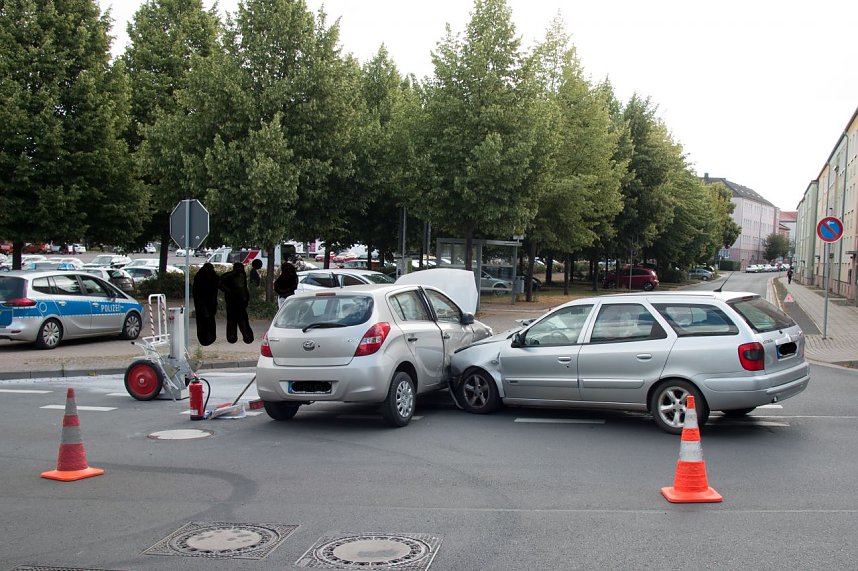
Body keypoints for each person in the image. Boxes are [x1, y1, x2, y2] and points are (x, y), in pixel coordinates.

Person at [218, 262, 253, 344]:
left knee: (240, 318)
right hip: (233, 300)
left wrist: (245, 297)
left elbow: (243, 288)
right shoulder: (230, 275)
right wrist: (228, 290)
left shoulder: (241, 275)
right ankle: (235, 336)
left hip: (239, 300)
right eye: (239, 268)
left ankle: (242, 336)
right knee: (235, 318)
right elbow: (219, 283)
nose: (241, 269)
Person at [192, 263, 219, 346]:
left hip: (209, 303)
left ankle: (209, 337)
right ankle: (205, 338)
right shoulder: (200, 277)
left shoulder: (210, 276)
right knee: (204, 321)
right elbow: (198, 293)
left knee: (209, 321)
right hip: (203, 303)